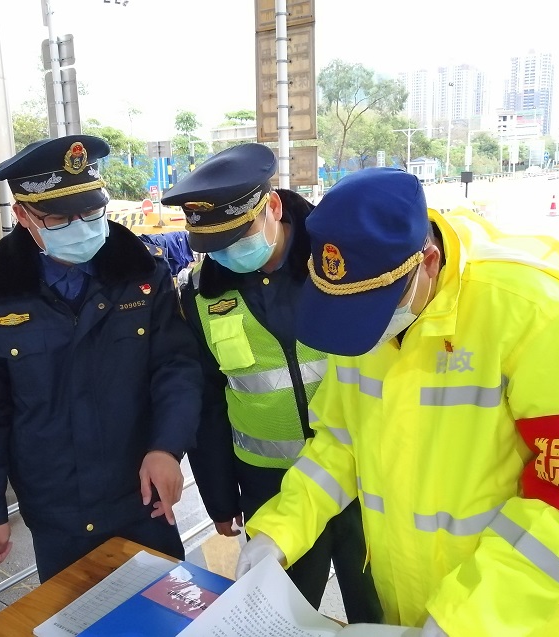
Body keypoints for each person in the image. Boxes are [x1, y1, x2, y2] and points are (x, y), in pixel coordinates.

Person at [237, 168, 559, 636]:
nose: (368, 331)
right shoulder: (360, 313)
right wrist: (278, 533)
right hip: (407, 608)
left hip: (513, 617)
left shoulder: (541, 317)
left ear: (427, 261)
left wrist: (463, 621)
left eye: (375, 310)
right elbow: (339, 443)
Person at [0, 135, 203, 582]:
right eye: (60, 218)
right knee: (72, 612)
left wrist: (167, 447)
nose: (81, 226)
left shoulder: (143, 272)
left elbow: (176, 368)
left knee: (163, 606)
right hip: (56, 509)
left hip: (141, 493)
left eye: (90, 212)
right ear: (23, 216)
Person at [163, 144, 382, 623]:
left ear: (273, 208)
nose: (227, 254)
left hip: (362, 473)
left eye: (237, 236)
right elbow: (209, 402)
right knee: (279, 616)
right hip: (270, 485)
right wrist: (220, 497)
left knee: (377, 608)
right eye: (214, 245)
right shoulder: (201, 293)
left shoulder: (337, 268)